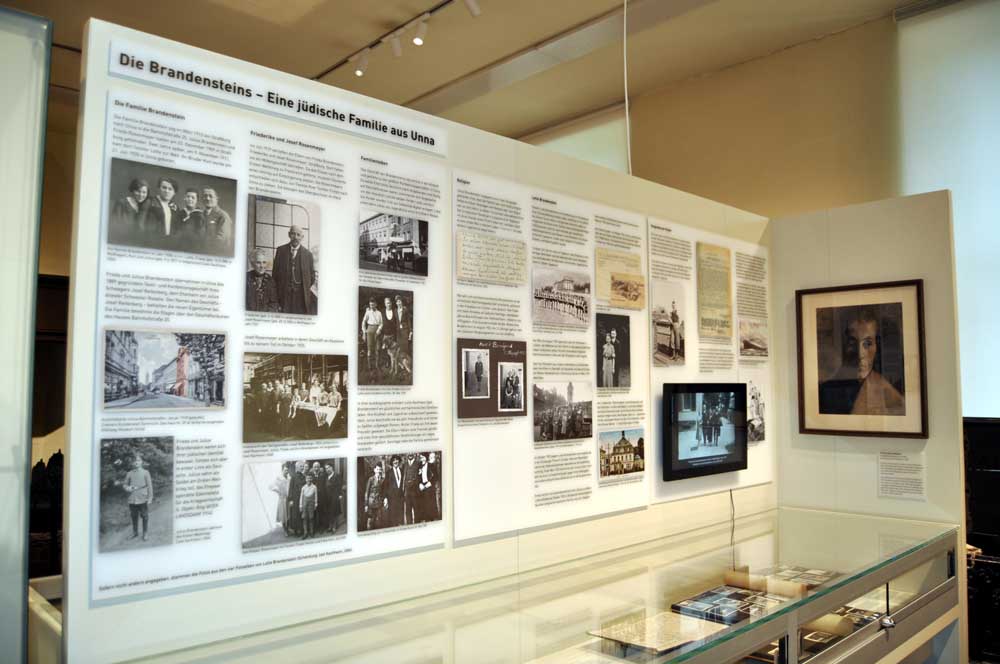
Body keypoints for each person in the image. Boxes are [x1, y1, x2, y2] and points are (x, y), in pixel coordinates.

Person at [819, 309, 905, 416]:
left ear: (876, 346)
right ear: (842, 345)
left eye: (868, 343)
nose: (860, 354)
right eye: (852, 342)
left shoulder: (885, 390)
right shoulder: (825, 392)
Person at [272, 225, 316, 315]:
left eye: (298, 235)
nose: (295, 237)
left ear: (302, 237)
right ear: (289, 235)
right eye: (293, 234)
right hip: (284, 296)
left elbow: (312, 277)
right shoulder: (280, 251)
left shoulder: (308, 255)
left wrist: (301, 288)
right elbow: (275, 274)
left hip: (301, 298)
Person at [110, 178, 149, 244]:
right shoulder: (122, 203)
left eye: (144, 192)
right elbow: (115, 224)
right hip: (122, 240)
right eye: (138, 191)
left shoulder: (143, 206)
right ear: (132, 190)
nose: (141, 195)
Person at [124, 456, 153, 542]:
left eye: (138, 460)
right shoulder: (129, 473)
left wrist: (150, 497)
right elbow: (125, 484)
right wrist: (128, 488)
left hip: (142, 497)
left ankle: (145, 533)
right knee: (133, 516)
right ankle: (135, 532)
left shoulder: (145, 472)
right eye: (135, 461)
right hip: (132, 498)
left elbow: (149, 485)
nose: (136, 462)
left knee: (145, 516)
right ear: (133, 463)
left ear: (141, 462)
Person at [143, 177, 179, 242]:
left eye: (170, 189)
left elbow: (176, 228)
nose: (166, 191)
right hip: (151, 240)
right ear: (159, 189)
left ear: (174, 193)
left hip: (169, 242)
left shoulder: (175, 207)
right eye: (164, 188)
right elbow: (140, 223)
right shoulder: (150, 202)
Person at [246, 248, 279, 313]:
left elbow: (274, 303)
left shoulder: (270, 281)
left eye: (264, 262)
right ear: (252, 264)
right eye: (258, 262)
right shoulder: (246, 278)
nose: (262, 266)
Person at [201, 187, 231, 254]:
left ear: (217, 199)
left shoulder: (223, 215)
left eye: (211, 196)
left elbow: (221, 240)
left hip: (216, 254)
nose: (207, 198)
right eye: (205, 196)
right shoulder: (201, 214)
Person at [361, 298, 383, 377]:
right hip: (369, 330)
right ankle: (370, 367)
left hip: (377, 330)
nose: (372, 306)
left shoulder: (379, 313)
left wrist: (379, 330)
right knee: (370, 349)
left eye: (373, 304)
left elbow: (381, 323)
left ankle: (377, 366)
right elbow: (363, 322)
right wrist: (364, 332)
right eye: (370, 305)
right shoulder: (368, 312)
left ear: (376, 304)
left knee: (378, 349)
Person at [363, 463, 387, 531]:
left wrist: (384, 499)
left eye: (380, 469)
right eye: (377, 469)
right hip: (371, 502)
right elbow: (367, 492)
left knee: (378, 519)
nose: (379, 471)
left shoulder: (383, 480)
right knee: (370, 519)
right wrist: (366, 504)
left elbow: (384, 491)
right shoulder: (371, 479)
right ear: (374, 470)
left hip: (379, 502)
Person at [286, 461, 306, 536]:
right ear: (297, 467)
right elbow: (290, 489)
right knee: (295, 515)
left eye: (302, 466)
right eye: (301, 466)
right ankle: (296, 530)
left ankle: (301, 529)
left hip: (302, 498)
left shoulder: (304, 476)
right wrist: (290, 500)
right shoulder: (293, 477)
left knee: (301, 514)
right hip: (295, 498)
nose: (302, 468)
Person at [270, 465, 290, 535]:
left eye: (287, 470)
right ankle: (285, 531)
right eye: (285, 470)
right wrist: (278, 491)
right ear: (282, 470)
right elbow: (271, 486)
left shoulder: (289, 478)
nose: (286, 471)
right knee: (283, 515)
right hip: (282, 499)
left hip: (288, 498)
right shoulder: (279, 478)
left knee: (288, 514)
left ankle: (288, 529)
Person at [384, 455, 405, 527]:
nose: (395, 462)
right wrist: (386, 498)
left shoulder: (402, 471)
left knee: (400, 516)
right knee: (392, 517)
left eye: (397, 460)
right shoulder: (388, 472)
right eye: (394, 460)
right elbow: (385, 486)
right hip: (392, 498)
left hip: (400, 497)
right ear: (392, 462)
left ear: (399, 461)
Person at [402, 453, 420, 525]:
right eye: (408, 453)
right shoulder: (405, 464)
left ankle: (417, 525)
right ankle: (409, 525)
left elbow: (420, 477)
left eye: (411, 453)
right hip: (407, 491)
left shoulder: (418, 464)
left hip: (415, 491)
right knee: (408, 509)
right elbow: (403, 477)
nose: (410, 454)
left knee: (416, 509)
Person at [299, 473, 318, 539]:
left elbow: (316, 496)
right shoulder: (303, 487)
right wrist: (300, 505)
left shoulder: (314, 487)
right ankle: (305, 532)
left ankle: (311, 532)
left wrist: (316, 504)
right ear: (305, 479)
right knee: (304, 518)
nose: (309, 480)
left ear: (312, 479)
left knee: (311, 518)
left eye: (310, 478)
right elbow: (301, 497)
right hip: (304, 504)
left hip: (311, 504)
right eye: (307, 478)